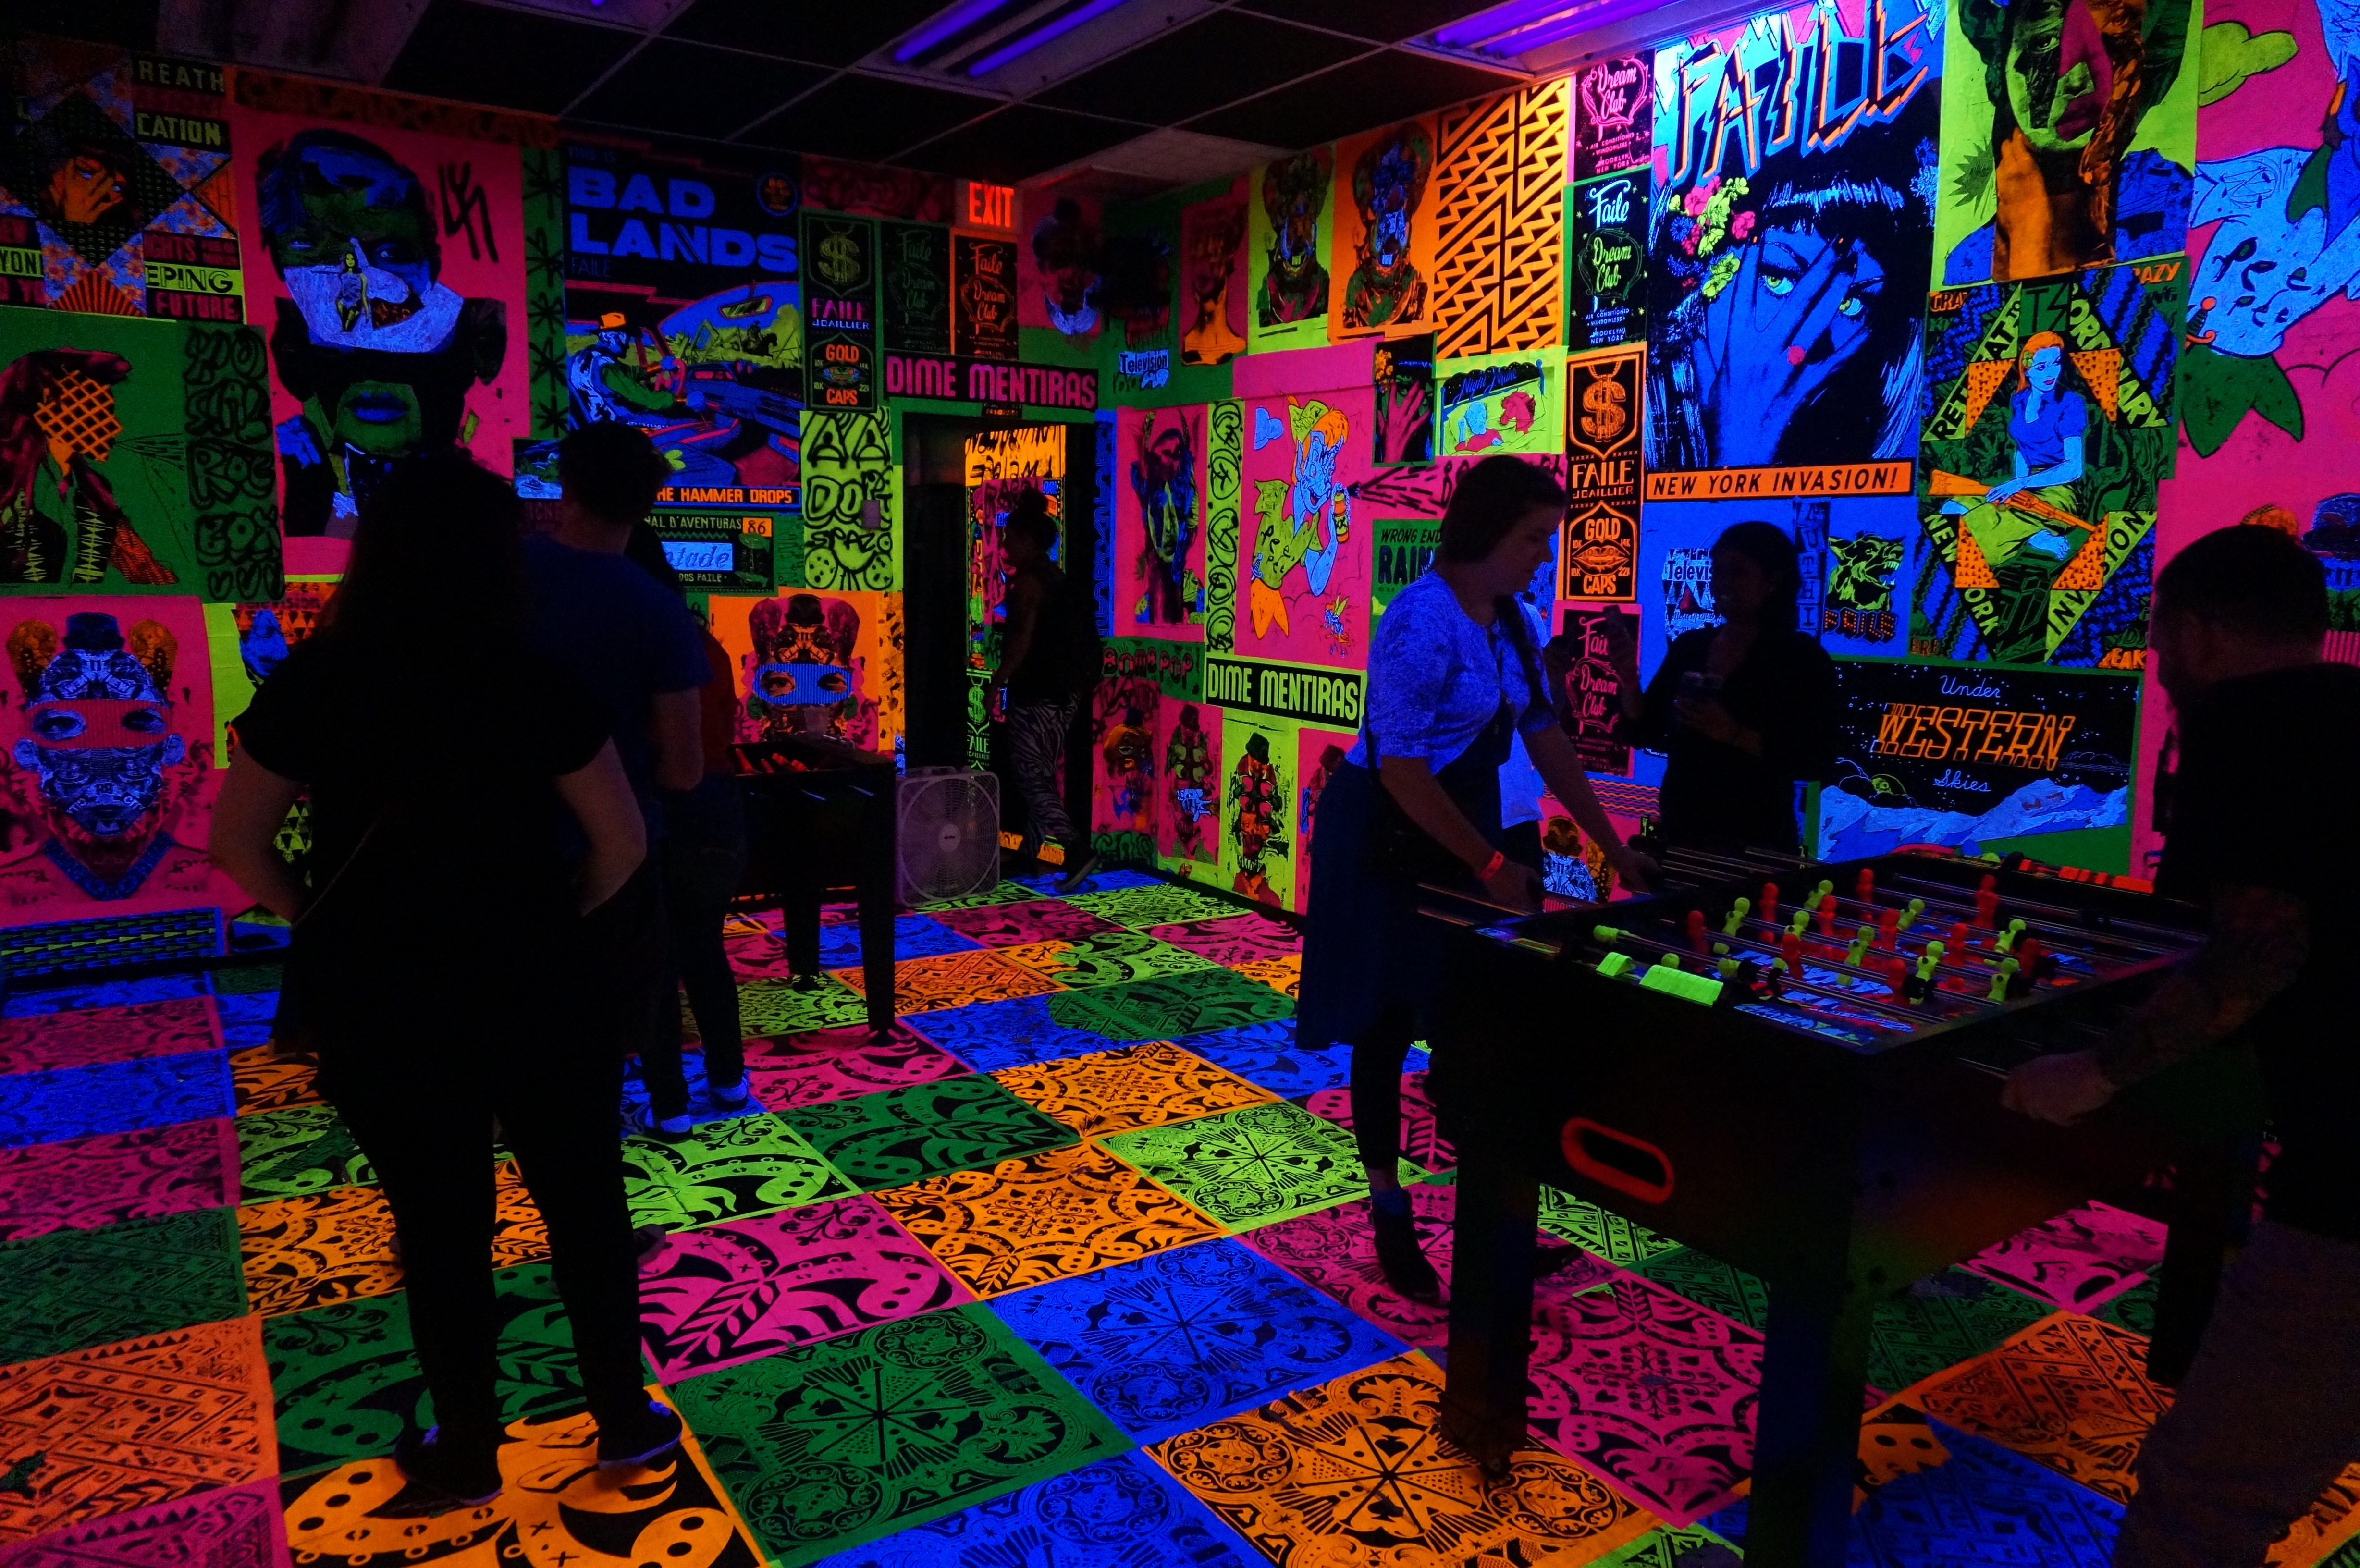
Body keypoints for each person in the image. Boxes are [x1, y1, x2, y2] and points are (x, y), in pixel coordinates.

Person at [208, 450, 681, 1505]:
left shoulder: (318, 680)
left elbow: (237, 843)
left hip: (384, 994)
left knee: (438, 1222)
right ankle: (625, 1423)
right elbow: (622, 843)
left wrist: (324, 917)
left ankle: (467, 1449)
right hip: (536, 982)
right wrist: (551, 918)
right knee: (585, 1206)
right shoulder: (532, 680)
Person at [2002, 523, 2360, 1568]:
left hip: (2351, 1190)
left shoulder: (2247, 724)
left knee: (2199, 1502)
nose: (2160, 670)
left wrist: (2092, 1071)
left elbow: (2257, 952)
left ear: (2199, 633)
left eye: (2159, 643)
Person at [1298, 456, 1656, 1300]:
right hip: (1389, 833)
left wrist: (1613, 850)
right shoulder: (1421, 619)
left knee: (1475, 1025)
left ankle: (1493, 1221)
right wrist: (1490, 863)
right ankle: (1390, 1212)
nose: (1545, 555)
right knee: (1387, 1022)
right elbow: (1399, 768)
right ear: (1487, 530)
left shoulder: (1513, 621)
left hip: (1457, 829)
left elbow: (1546, 736)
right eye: (1534, 538)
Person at [530, 420, 711, 1139]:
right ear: (648, 501)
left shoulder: (504, 577)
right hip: (618, 849)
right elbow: (686, 768)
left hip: (497, 839)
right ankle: (623, 1133)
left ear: (566, 489)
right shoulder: (655, 609)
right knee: (610, 1020)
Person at [1606, 521, 1837, 854]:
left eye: (1738, 573)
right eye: (1717, 572)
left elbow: (1818, 759)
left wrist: (1734, 733)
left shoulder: (1802, 659)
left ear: (1773, 581)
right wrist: (1628, 678)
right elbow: (1644, 732)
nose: (1722, 583)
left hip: (1757, 844)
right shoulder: (1691, 646)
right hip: (1681, 833)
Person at [622, 525, 749, 1124]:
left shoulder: (627, 644)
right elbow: (725, 724)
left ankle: (669, 1104)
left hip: (653, 806)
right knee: (705, 949)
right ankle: (730, 1082)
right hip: (717, 806)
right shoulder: (703, 643)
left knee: (656, 960)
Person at [993, 489, 1102, 891]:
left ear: (1027, 539)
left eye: (1010, 537)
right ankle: (1030, 851)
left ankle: (1075, 849)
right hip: (1067, 693)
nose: (1006, 546)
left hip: (1036, 691)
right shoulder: (1058, 580)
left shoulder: (1029, 584)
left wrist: (997, 681)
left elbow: (1021, 640)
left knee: (1029, 775)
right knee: (1041, 772)